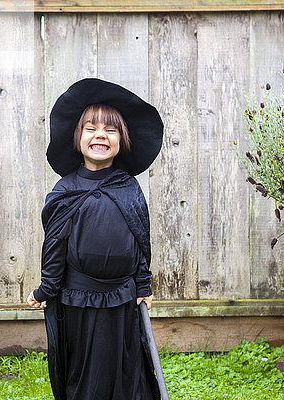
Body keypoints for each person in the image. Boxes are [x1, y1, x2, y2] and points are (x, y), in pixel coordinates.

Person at [26, 78, 164, 400]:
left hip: (123, 300)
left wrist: (143, 285)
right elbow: (55, 247)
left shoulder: (128, 187)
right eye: (91, 128)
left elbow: (142, 242)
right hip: (79, 301)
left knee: (126, 370)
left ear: (122, 141)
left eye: (110, 130)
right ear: (77, 138)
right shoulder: (65, 191)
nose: (100, 134)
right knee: (85, 373)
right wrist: (47, 289)